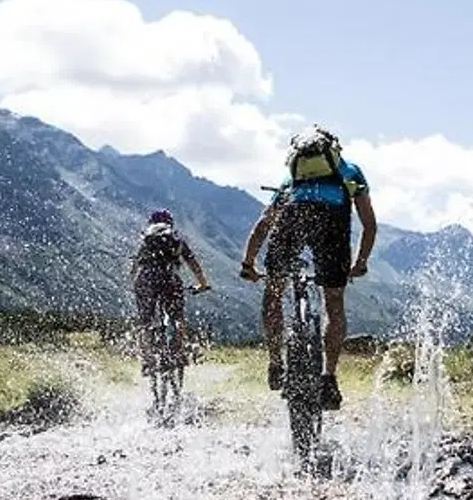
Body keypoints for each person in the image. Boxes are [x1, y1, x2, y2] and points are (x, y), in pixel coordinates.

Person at [239, 126, 377, 410]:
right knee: (333, 302)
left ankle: (276, 363)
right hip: (332, 224)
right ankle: (328, 377)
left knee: (274, 293)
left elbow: (264, 223)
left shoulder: (292, 180)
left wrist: (249, 263)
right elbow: (369, 224)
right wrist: (360, 263)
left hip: (292, 219)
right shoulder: (350, 172)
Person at [130, 209, 211, 376]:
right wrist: (202, 284)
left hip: (145, 282)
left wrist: (135, 285)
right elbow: (192, 263)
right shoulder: (176, 239)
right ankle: (179, 353)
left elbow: (135, 268)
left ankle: (147, 360)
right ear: (170, 223)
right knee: (177, 318)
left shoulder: (146, 239)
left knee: (145, 322)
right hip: (169, 281)